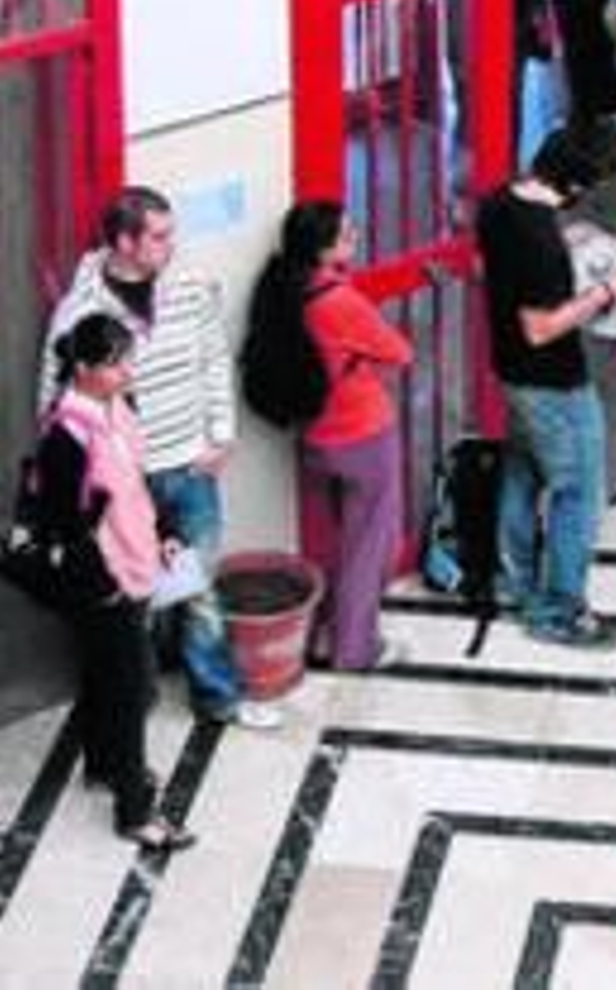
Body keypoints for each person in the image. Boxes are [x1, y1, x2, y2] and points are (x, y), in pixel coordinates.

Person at [41, 186, 279, 731]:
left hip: (191, 467)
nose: (173, 245)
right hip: (124, 482)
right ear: (123, 241)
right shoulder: (80, 312)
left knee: (197, 589)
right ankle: (130, 708)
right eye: (159, 236)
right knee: (128, 604)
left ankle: (216, 696)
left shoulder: (191, 286)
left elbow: (215, 359)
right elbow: (55, 400)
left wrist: (220, 437)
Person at [477, 129, 616, 648]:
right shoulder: (537, 239)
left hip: (510, 371)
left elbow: (500, 271)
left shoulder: (502, 202)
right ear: (578, 184)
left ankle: (514, 580)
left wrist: (569, 240)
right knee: (578, 493)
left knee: (524, 470)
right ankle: (558, 611)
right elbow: (541, 327)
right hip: (551, 381)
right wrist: (606, 291)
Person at [36, 314, 198, 852]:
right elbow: (65, 525)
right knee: (134, 690)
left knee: (107, 677)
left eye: (128, 358)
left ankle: (104, 766)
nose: (128, 370)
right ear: (83, 369)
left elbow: (137, 486)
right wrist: (105, 585)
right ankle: (135, 812)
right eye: (116, 362)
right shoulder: (65, 437)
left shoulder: (118, 408)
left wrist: (165, 531)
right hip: (105, 580)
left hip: (136, 561)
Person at [276, 200, 415, 673]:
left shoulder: (286, 288)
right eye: (346, 236)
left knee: (335, 539)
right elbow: (399, 351)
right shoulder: (339, 300)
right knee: (368, 545)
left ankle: (322, 635)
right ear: (321, 249)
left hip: (316, 434)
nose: (355, 240)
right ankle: (355, 647)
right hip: (362, 433)